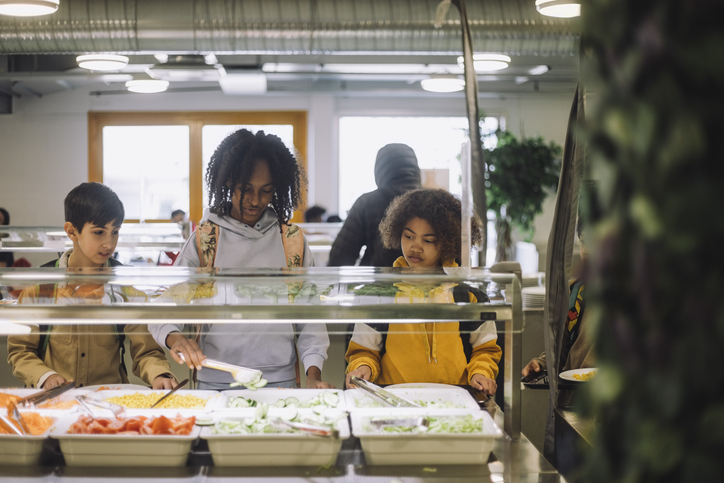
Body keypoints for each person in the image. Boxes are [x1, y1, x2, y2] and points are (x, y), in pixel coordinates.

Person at [149, 129, 333, 391]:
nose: (255, 201)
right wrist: (175, 338)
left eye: (266, 191)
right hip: (215, 380)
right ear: (228, 182)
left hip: (279, 380)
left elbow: (310, 317)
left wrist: (313, 374)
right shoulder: (205, 239)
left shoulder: (291, 240)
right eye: (245, 190)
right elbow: (164, 306)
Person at [7, 182, 177, 389]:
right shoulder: (41, 289)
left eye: (115, 232)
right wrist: (45, 376)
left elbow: (147, 352)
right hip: (56, 402)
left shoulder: (124, 289)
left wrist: (160, 375)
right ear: (71, 231)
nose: (109, 243)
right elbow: (20, 350)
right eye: (99, 232)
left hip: (110, 402)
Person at [344, 188, 502, 396]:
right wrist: (363, 367)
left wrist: (481, 372)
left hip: (455, 398)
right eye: (408, 236)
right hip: (393, 398)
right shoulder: (381, 293)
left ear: (448, 242)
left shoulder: (468, 295)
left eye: (428, 240)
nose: (415, 247)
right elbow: (364, 351)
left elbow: (485, 349)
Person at [521, 214, 595, 393]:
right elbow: (562, 348)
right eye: (584, 241)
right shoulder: (575, 291)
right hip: (573, 401)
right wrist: (541, 363)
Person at [328, 143, 421, 267]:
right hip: (426, 284)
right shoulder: (434, 202)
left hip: (376, 283)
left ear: (379, 171)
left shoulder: (366, 202)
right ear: (415, 168)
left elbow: (340, 257)